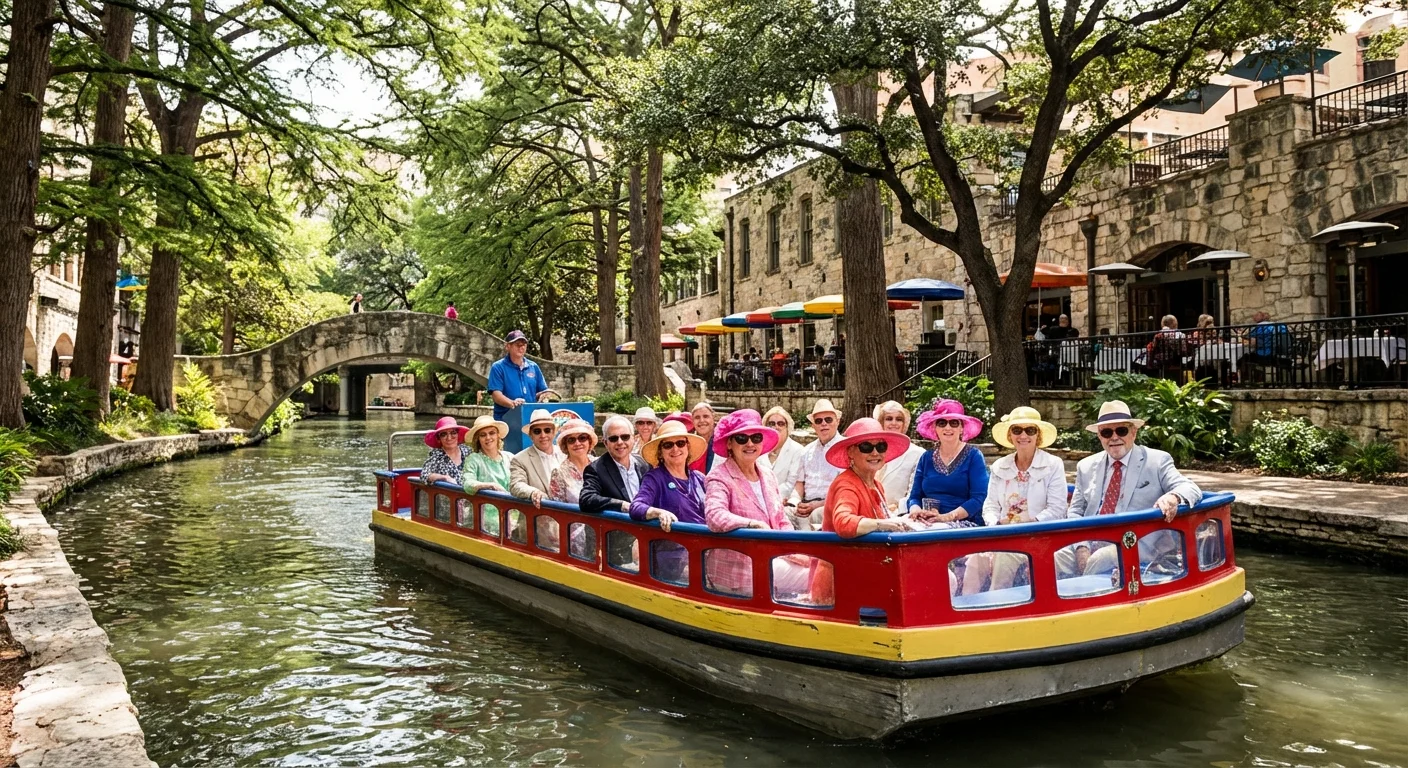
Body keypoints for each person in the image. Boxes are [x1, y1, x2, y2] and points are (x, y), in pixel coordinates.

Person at [1064, 400, 1203, 576]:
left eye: (1121, 430)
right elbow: (1075, 512)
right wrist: (1081, 546)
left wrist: (1172, 497)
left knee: (1098, 559)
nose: (1114, 437)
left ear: (1134, 432)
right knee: (1052, 558)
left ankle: (1083, 600)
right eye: (1107, 432)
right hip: (1090, 541)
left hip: (1135, 544)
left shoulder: (1157, 461)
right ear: (1100, 436)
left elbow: (1189, 487)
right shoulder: (1086, 466)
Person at [704, 410, 810, 596]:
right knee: (815, 576)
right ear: (729, 443)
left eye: (756, 437)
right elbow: (715, 516)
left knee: (819, 565)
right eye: (741, 438)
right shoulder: (718, 476)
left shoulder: (767, 475)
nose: (750, 443)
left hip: (772, 557)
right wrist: (751, 524)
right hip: (739, 568)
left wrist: (795, 551)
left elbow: (781, 520)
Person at [809, 418, 911, 605]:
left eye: (880, 446)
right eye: (866, 446)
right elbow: (844, 523)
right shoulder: (846, 483)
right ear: (851, 452)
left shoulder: (876, 484)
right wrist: (882, 525)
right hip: (841, 586)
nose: (875, 452)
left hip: (865, 574)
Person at [968, 407, 1067, 592]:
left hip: (1040, 535)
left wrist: (1029, 524)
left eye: (1030, 430)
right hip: (1002, 533)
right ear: (1010, 435)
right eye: (1017, 430)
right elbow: (990, 505)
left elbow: (1057, 508)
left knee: (1005, 556)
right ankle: (966, 614)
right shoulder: (1000, 466)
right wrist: (995, 524)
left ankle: (998, 606)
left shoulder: (1053, 464)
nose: (1023, 435)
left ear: (1038, 435)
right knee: (976, 557)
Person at [630, 421, 708, 583]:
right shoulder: (655, 478)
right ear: (660, 452)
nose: (675, 449)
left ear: (688, 447)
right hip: (672, 561)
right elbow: (636, 507)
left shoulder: (700, 479)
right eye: (668, 445)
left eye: (680, 443)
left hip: (705, 553)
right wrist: (658, 512)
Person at [907, 399, 988, 526]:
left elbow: (978, 499)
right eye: (942, 423)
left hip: (963, 523)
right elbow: (914, 497)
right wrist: (916, 511)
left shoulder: (974, 456)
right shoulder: (926, 458)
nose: (948, 427)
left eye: (954, 423)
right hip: (928, 522)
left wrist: (947, 517)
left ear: (962, 428)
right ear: (935, 428)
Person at [785, 399, 844, 530]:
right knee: (783, 514)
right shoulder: (806, 451)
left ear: (837, 422)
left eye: (828, 420)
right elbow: (800, 483)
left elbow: (844, 490)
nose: (824, 424)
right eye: (818, 421)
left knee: (818, 514)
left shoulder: (846, 449)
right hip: (806, 504)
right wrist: (794, 503)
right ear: (813, 425)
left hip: (831, 504)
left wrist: (816, 505)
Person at [580, 415, 650, 515]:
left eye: (625, 437)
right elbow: (586, 499)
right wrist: (623, 505)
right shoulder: (596, 469)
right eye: (613, 438)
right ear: (605, 443)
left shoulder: (643, 464)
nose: (620, 442)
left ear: (633, 439)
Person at [873, 400, 925, 512]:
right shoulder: (871, 450)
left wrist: (895, 510)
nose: (894, 423)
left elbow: (914, 493)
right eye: (889, 418)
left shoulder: (917, 453)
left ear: (904, 424)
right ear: (881, 422)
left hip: (900, 514)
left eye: (899, 419)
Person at [487, 330, 547, 420]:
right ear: (508, 346)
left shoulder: (533, 366)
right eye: (518, 344)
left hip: (530, 419)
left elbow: (543, 391)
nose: (521, 347)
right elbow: (496, 395)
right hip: (506, 420)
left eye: (524, 344)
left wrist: (544, 395)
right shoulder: (498, 367)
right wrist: (513, 403)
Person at [511, 409, 563, 507]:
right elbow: (516, 485)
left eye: (547, 430)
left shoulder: (565, 453)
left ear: (554, 432)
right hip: (537, 517)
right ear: (531, 435)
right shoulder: (519, 459)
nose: (543, 435)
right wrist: (533, 492)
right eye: (537, 431)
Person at [548, 419, 596, 504]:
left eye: (582, 438)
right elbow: (557, 509)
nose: (577, 443)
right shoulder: (559, 473)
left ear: (589, 441)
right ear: (565, 445)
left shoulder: (600, 464)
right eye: (571, 440)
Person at [462, 414, 514, 492]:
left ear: (498, 435)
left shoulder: (510, 457)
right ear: (478, 439)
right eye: (483, 435)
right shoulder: (474, 459)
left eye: (492, 433)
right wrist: (490, 485)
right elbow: (467, 484)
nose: (488, 438)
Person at [761, 406, 805, 498]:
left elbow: (791, 483)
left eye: (781, 424)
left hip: (784, 500)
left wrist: (770, 497)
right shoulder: (758, 448)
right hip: (758, 498)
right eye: (771, 423)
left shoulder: (797, 450)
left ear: (787, 427)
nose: (776, 427)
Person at [420, 417, 471, 486]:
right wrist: (445, 478)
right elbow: (424, 475)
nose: (449, 438)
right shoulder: (437, 455)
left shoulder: (467, 451)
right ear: (439, 439)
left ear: (458, 435)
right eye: (443, 434)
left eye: (453, 433)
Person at [688, 402, 718, 474]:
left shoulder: (723, 441)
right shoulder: (688, 444)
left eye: (705, 416)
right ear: (692, 421)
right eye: (697, 417)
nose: (701, 421)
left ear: (713, 418)